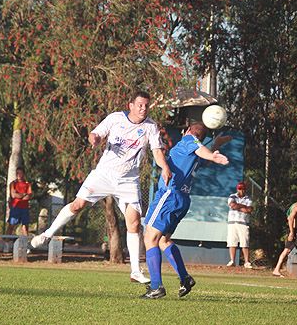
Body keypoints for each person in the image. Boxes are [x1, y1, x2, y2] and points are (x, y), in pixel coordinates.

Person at [31, 91, 173, 284]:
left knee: (134, 223)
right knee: (77, 205)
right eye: (140, 105)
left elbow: (156, 150)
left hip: (129, 181)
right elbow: (95, 134)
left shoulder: (150, 127)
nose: (143, 109)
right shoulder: (115, 118)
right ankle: (47, 235)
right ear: (130, 105)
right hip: (104, 175)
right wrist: (95, 139)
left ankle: (135, 271)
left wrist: (164, 167)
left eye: (146, 105)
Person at [141, 122, 231, 299]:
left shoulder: (188, 140)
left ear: (187, 131)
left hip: (169, 196)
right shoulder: (194, 153)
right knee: (164, 241)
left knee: (150, 238)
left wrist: (212, 155)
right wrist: (216, 147)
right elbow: (201, 153)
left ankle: (156, 287)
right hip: (182, 200)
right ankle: (185, 278)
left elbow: (198, 147)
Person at [226, 181, 253, 268]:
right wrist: (243, 206)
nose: (241, 190)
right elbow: (232, 205)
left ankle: (247, 262)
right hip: (232, 222)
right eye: (239, 188)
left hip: (243, 222)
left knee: (244, 242)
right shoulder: (232, 196)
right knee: (232, 241)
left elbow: (248, 210)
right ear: (237, 189)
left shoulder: (248, 198)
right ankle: (232, 261)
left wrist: (238, 206)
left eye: (243, 189)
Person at [7, 167, 32, 236]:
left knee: (25, 226)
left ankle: (26, 242)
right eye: (17, 173)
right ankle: (6, 241)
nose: (19, 175)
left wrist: (20, 195)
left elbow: (28, 196)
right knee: (11, 225)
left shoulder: (27, 184)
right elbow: (13, 195)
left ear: (23, 174)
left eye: (20, 173)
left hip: (24, 207)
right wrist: (23, 194)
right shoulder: (13, 183)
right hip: (15, 206)